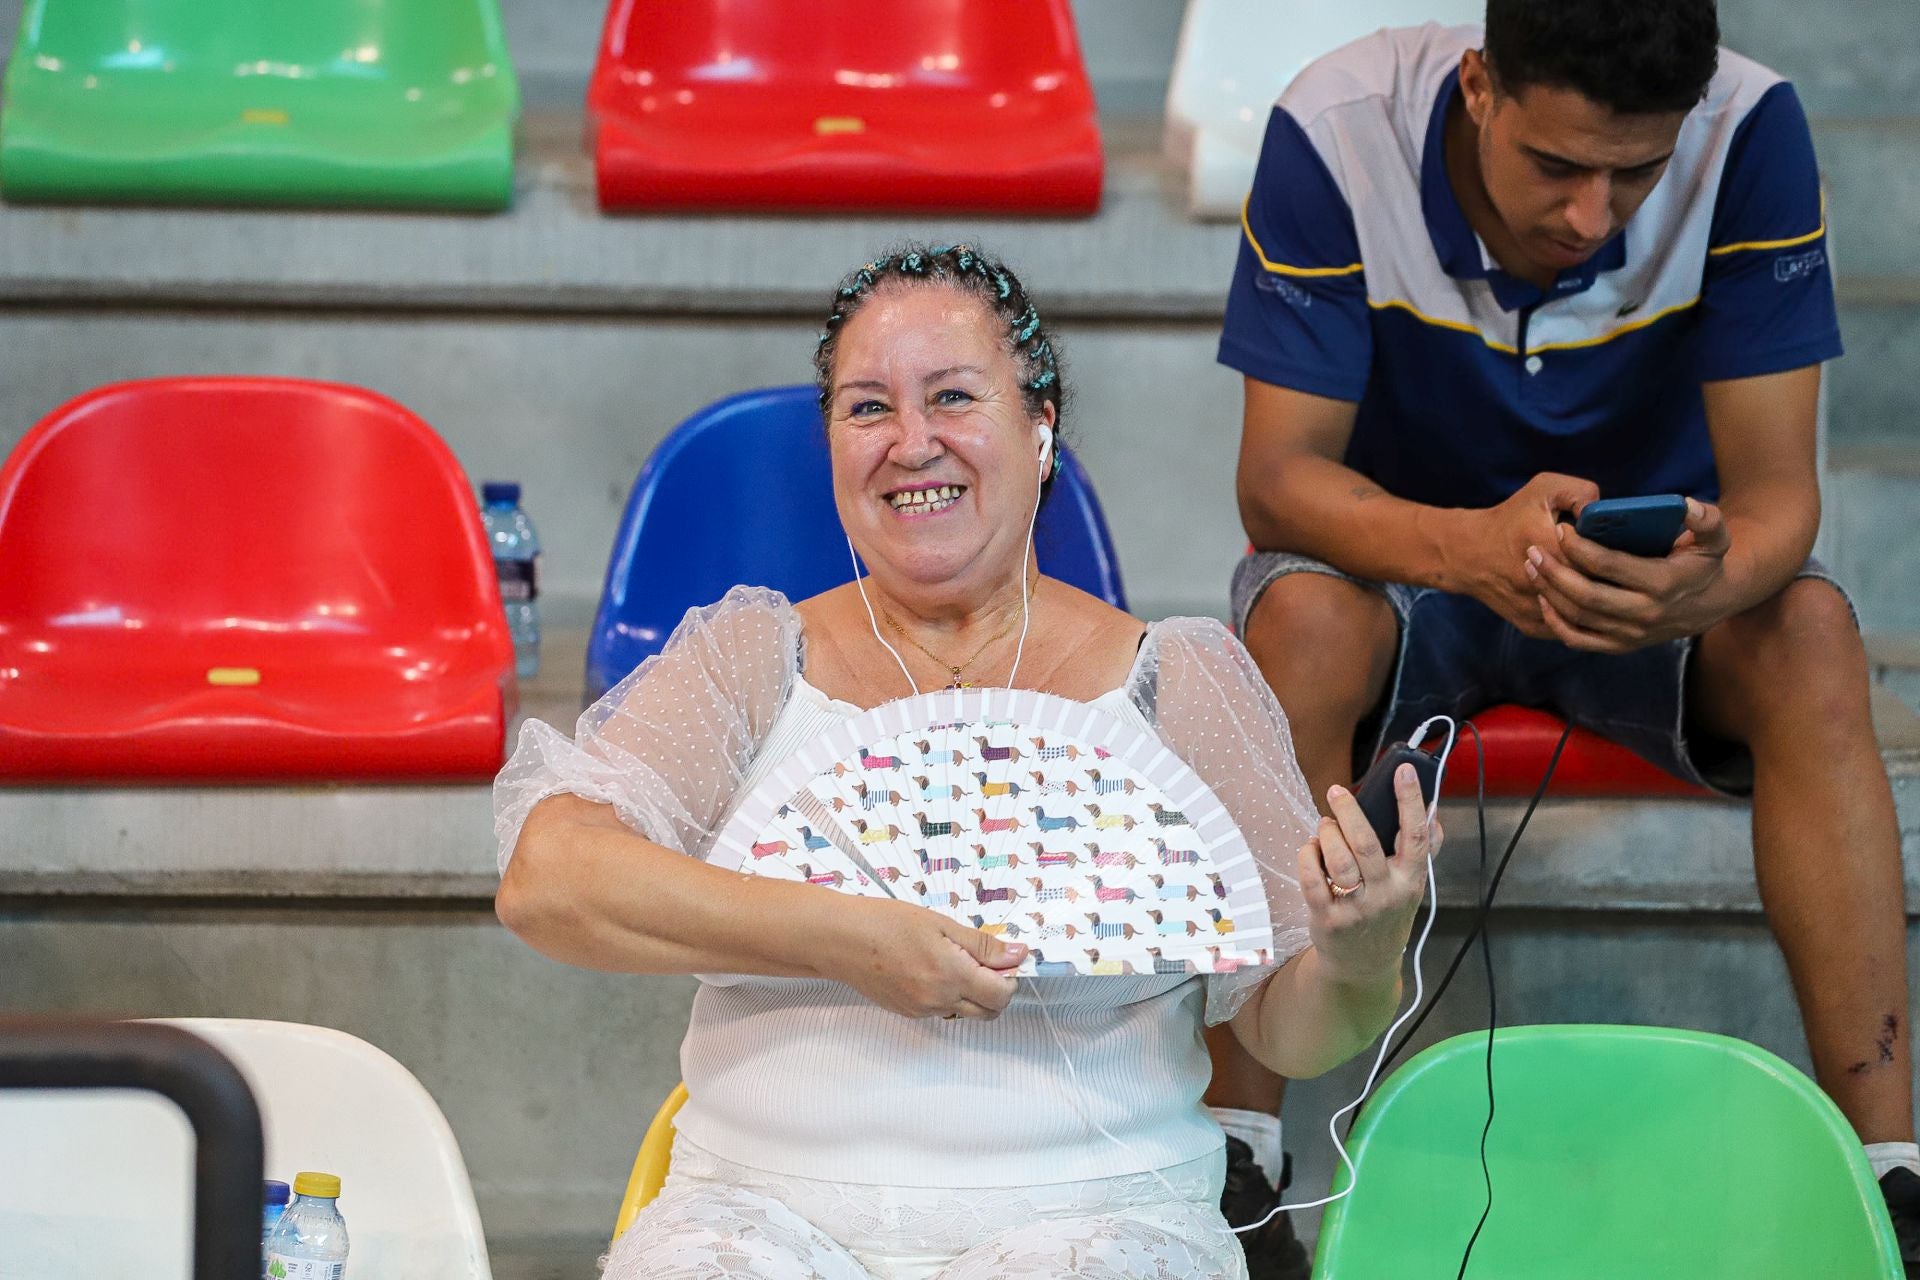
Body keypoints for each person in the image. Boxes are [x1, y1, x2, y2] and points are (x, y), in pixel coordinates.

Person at [493, 244, 1441, 1280]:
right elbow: (548, 878)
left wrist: (1358, 953)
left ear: (1041, 430)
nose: (911, 442)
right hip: (756, 1219)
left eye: (952, 396)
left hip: (1104, 1224)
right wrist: (840, 934)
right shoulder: (751, 655)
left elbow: (1295, 1027)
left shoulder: (1180, 677)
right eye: (867, 409)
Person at [1213, 1, 1919, 1274]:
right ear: (1479, 85)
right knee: (1296, 623)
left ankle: (1891, 1178)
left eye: (1635, 174)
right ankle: (1236, 1154)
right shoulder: (1336, 128)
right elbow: (1277, 480)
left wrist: (1710, 584)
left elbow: (1778, 499)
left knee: (1810, 624)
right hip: (1401, 566)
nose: (1594, 215)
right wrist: (1465, 546)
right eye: (1558, 166)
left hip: (1640, 588)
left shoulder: (1751, 126)